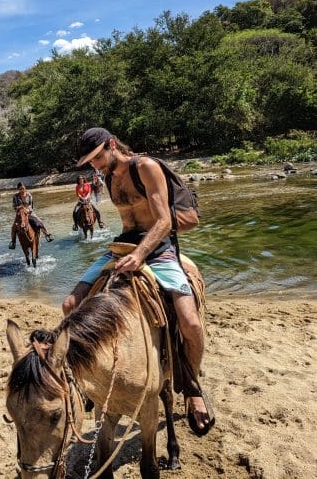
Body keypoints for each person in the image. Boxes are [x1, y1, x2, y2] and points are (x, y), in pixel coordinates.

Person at [62, 127, 213, 436]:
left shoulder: (145, 167)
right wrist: (127, 252)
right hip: (123, 246)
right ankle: (90, 376)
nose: (95, 166)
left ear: (112, 145)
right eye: (89, 162)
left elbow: (165, 221)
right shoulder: (106, 178)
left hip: (157, 248)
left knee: (191, 323)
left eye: (97, 158)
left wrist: (141, 254)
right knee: (70, 304)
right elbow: (128, 221)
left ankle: (193, 387)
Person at [9, 183, 54, 249]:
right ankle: (13, 242)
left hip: (29, 212)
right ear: (18, 189)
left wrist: (27, 210)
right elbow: (14, 206)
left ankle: (47, 234)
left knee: (40, 222)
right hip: (20, 214)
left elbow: (31, 205)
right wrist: (20, 209)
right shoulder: (15, 196)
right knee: (13, 227)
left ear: (25, 188)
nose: (22, 190)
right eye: (20, 189)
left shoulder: (29, 195)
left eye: (23, 188)